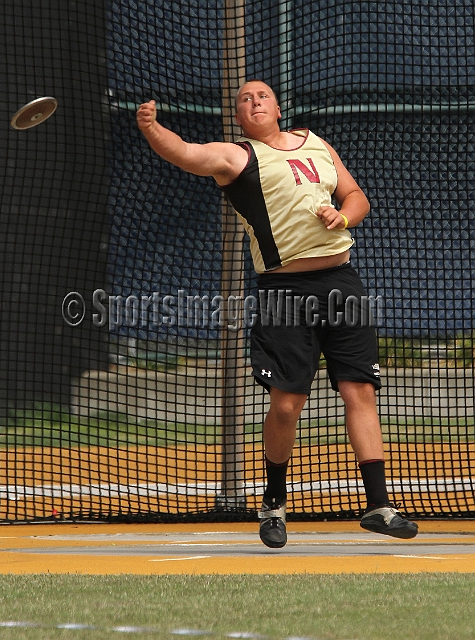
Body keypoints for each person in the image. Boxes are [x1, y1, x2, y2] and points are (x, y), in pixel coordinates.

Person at [137, 79, 418, 548]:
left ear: (278, 106)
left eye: (262, 95)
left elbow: (357, 198)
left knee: (360, 391)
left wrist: (342, 217)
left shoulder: (317, 144)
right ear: (239, 117)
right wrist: (151, 128)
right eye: (245, 100)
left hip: (342, 284)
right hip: (284, 289)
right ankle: (274, 501)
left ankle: (378, 506)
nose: (254, 101)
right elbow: (185, 153)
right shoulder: (236, 157)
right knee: (287, 404)